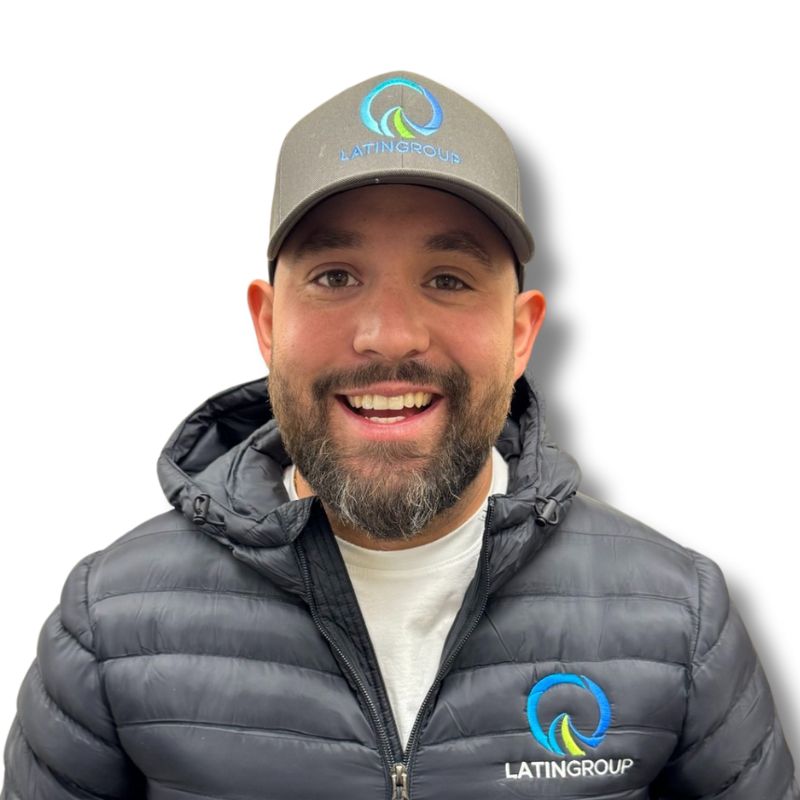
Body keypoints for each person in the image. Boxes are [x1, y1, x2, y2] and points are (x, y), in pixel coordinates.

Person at [2, 70, 796, 800]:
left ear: (521, 336)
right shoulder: (111, 624)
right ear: (268, 324)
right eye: (335, 277)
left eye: (448, 279)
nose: (387, 335)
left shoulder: (678, 621)